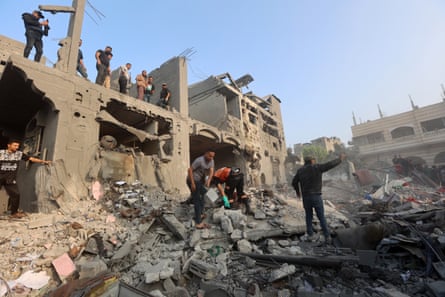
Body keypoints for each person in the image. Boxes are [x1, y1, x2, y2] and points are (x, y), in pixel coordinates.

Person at [292, 153, 346, 243]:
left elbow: (294, 182)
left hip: (306, 198)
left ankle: (310, 235)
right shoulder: (317, 167)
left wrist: (298, 193)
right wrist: (340, 159)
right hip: (316, 196)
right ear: (312, 161)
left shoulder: (300, 170)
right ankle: (327, 236)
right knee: (321, 216)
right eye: (314, 160)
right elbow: (330, 165)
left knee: (308, 216)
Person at [0, 139, 51, 218]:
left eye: (18, 146)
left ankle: (14, 213)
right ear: (9, 145)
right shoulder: (1, 153)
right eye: (15, 145)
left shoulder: (19, 154)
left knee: (16, 194)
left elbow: (31, 159)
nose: (16, 147)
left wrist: (43, 161)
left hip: (9, 179)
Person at [186, 149, 216, 229]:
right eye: (209, 156)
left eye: (212, 156)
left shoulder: (211, 160)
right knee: (197, 200)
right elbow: (190, 170)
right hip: (192, 180)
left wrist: (209, 180)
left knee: (203, 193)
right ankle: (198, 222)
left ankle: (201, 213)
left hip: (199, 180)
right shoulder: (199, 160)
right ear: (205, 153)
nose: (211, 158)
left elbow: (211, 170)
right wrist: (192, 183)